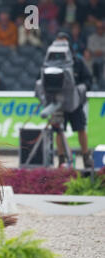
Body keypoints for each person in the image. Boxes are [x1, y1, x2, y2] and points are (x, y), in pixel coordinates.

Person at [53, 32, 94, 168]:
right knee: (59, 130)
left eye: (64, 42)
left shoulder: (77, 61)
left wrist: (81, 89)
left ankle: (86, 157)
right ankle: (61, 159)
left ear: (69, 44)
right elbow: (41, 79)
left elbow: (88, 80)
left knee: (81, 128)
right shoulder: (50, 61)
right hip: (58, 102)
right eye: (59, 42)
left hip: (75, 101)